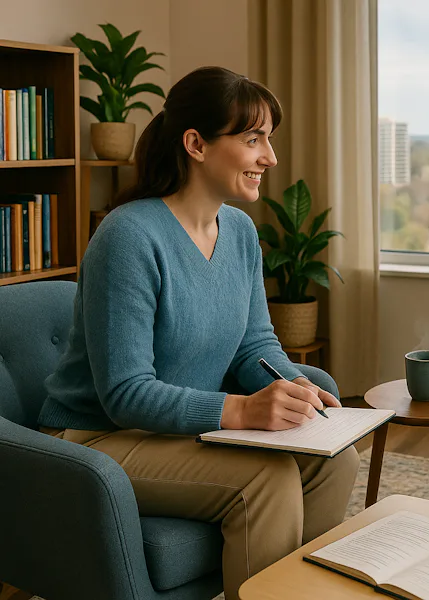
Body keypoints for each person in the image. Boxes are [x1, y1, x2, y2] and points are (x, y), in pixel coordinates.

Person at [37, 66, 359, 599]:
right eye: (252, 139)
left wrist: (294, 386)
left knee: (333, 460)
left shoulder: (239, 232)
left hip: (174, 431)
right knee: (267, 480)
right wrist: (243, 411)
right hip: (95, 440)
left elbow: (255, 342)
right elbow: (124, 394)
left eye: (268, 140)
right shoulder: (129, 236)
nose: (269, 158)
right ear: (196, 144)